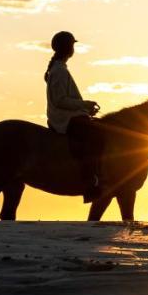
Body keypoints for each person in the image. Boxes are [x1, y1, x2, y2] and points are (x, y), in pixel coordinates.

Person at [44, 31, 104, 201]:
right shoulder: (59, 71)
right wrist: (83, 105)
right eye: (72, 46)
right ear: (68, 48)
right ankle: (89, 181)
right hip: (64, 119)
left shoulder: (59, 68)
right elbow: (60, 100)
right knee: (96, 137)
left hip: (68, 115)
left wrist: (85, 108)